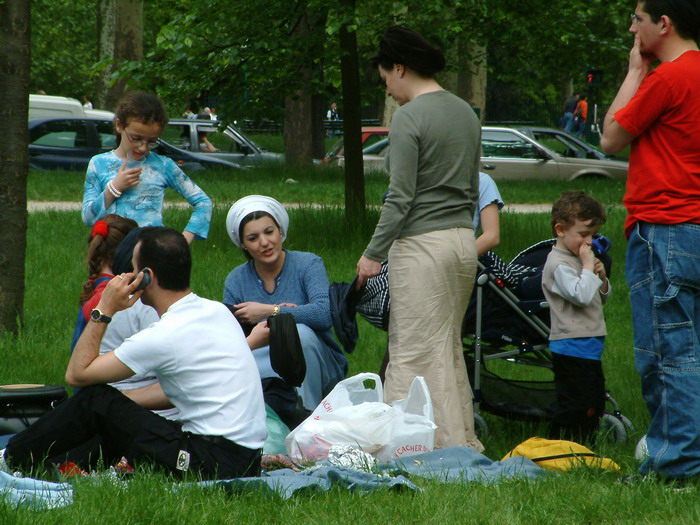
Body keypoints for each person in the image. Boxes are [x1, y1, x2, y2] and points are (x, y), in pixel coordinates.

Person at [1, 227, 267, 479]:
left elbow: (77, 375)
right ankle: (56, 464)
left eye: (133, 268)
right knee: (113, 413)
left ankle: (11, 459)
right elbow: (175, 395)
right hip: (242, 459)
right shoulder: (217, 311)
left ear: (146, 276)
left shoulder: (165, 333)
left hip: (209, 463)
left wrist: (103, 308)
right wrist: (122, 403)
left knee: (96, 399)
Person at [355, 26, 482, 451]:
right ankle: (456, 440)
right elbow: (471, 187)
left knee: (410, 352)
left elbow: (400, 198)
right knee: (444, 351)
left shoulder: (409, 117)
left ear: (400, 68)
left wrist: (372, 255)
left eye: (385, 79)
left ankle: (407, 448)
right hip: (463, 245)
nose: (388, 91)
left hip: (422, 248)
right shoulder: (465, 111)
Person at [600, 0, 700, 480]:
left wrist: (636, 69)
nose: (632, 26)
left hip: (664, 228)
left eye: (638, 18)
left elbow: (611, 138)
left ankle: (674, 464)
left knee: (668, 352)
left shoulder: (669, 77)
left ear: (665, 23)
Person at [224, 195, 348, 411]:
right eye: (253, 238)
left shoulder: (308, 263)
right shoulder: (236, 279)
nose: (264, 242)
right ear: (243, 244)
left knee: (298, 333)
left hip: (318, 361)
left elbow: (324, 314)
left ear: (280, 231)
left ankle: (306, 413)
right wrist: (289, 315)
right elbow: (230, 336)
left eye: (269, 232)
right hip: (263, 361)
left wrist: (272, 311)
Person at [81, 92, 212, 243]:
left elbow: (203, 202)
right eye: (136, 139)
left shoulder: (163, 165)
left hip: (150, 254)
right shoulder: (98, 163)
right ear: (119, 126)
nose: (143, 148)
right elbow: (88, 218)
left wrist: (182, 241)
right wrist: (114, 188)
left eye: (152, 141)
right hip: (112, 255)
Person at [541, 191, 610, 443]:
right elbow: (580, 295)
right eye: (583, 234)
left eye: (592, 235)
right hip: (571, 343)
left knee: (593, 397)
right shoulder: (559, 263)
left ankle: (585, 440)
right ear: (560, 229)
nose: (589, 242)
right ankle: (561, 442)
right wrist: (588, 268)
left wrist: (600, 277)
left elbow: (599, 297)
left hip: (589, 340)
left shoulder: (577, 259)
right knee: (575, 399)